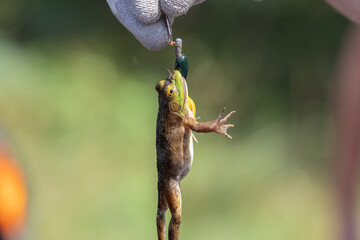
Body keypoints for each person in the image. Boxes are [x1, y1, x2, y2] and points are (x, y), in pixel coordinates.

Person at [106, 1, 360, 240]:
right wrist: (343, 212)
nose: (170, 84)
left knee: (170, 214)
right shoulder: (180, 116)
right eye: (168, 89)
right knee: (169, 215)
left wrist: (214, 126)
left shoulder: (184, 115)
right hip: (170, 173)